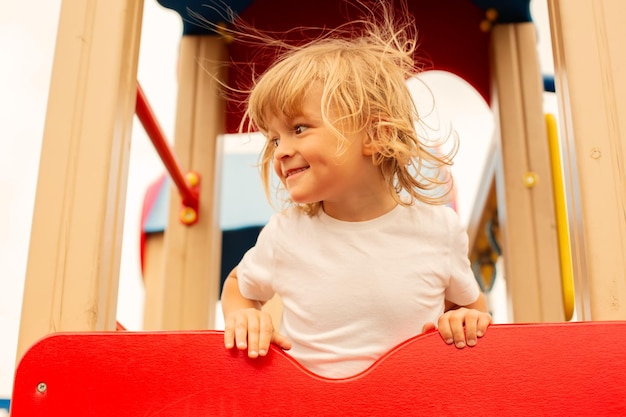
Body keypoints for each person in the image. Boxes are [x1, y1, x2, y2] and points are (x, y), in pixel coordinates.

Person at [220, 0, 492, 379]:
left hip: (406, 400)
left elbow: (475, 309)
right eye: (273, 139)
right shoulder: (287, 235)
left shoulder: (437, 231)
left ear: (375, 135)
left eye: (298, 129)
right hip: (311, 404)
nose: (280, 151)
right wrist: (246, 315)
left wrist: (465, 319)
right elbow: (238, 285)